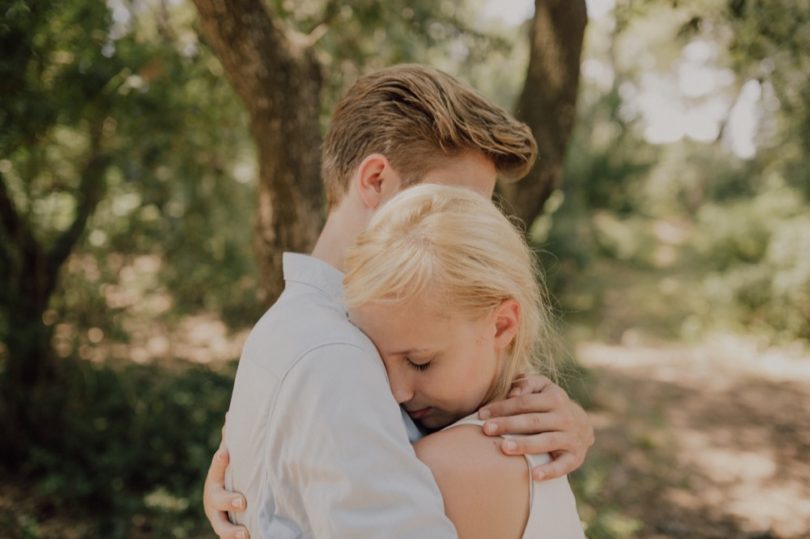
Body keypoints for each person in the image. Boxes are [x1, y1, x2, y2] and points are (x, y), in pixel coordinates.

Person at [204, 64, 594, 539]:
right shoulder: (337, 358)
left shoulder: (306, 330)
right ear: (375, 181)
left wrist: (556, 416)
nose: (472, 230)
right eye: (454, 201)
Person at [344, 183, 585, 538]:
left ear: (501, 325)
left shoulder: (456, 465)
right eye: (376, 360)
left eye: (421, 362)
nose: (395, 392)